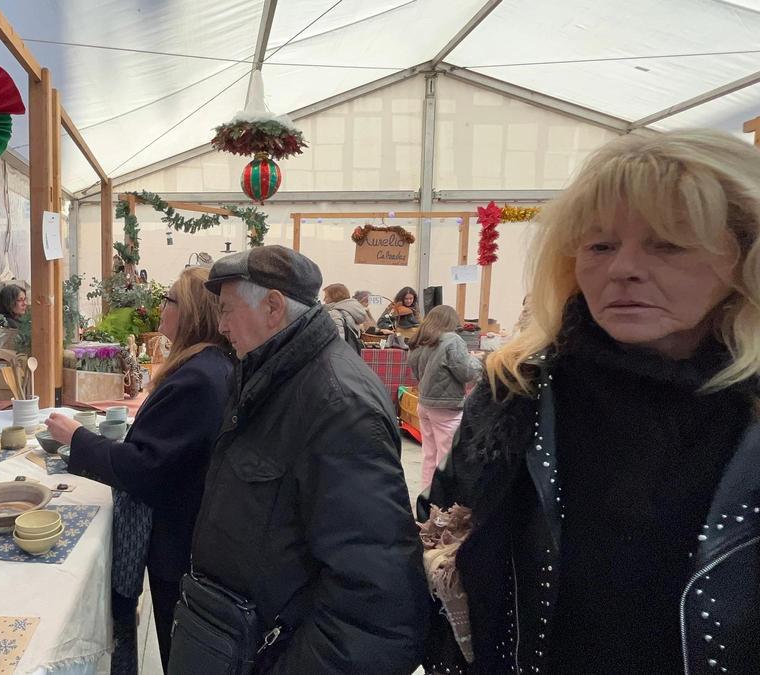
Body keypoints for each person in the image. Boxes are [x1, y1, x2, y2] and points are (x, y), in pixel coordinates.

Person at [421, 129, 760, 674]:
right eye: (599, 245)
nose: (622, 268)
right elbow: (451, 562)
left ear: (745, 252)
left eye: (666, 243)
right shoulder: (517, 390)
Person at [184, 245, 428, 673]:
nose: (221, 326)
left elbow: (377, 608)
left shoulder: (337, 405)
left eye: (227, 310)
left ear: (273, 307)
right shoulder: (273, 375)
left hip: (277, 650)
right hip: (248, 639)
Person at [45, 267, 232, 674]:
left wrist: (77, 438)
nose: (161, 307)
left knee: (178, 648)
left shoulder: (199, 378)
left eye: (169, 300)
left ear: (192, 312)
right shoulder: (206, 367)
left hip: (179, 545)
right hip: (190, 538)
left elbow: (148, 468)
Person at [406, 305, 481, 488]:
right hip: (446, 406)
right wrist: (476, 359)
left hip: (424, 404)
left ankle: (427, 502)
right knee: (447, 458)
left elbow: (416, 372)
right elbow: (466, 373)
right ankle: (443, 504)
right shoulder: (452, 340)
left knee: (429, 456)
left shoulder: (420, 341)